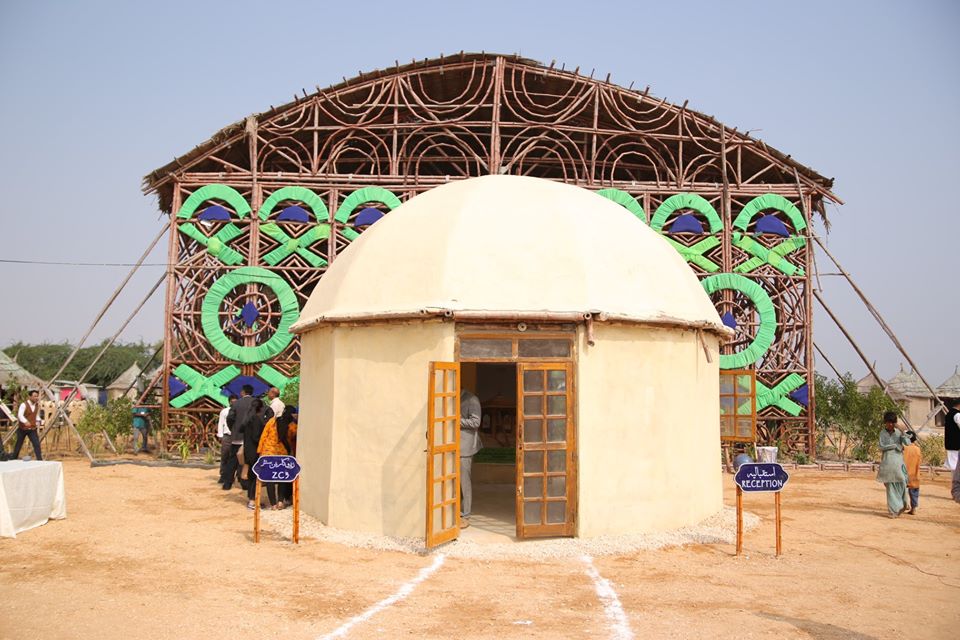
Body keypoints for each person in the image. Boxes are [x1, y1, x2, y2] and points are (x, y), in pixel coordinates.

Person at [257, 405, 299, 509]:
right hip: (282, 454)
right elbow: (293, 437)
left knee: (269, 479)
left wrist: (259, 450)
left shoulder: (272, 421)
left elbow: (263, 436)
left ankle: (273, 504)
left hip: (268, 453)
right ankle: (280, 501)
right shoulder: (292, 425)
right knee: (281, 478)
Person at [877, 411, 910, 518]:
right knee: (889, 486)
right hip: (887, 462)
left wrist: (902, 431)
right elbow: (881, 446)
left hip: (898, 462)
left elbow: (907, 443)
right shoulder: (882, 433)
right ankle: (893, 510)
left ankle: (903, 504)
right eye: (888, 422)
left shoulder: (899, 432)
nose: (890, 424)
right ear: (885, 422)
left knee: (901, 483)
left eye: (892, 422)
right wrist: (893, 446)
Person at [223, 384, 256, 490]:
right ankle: (245, 484)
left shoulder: (236, 403)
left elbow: (230, 418)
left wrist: (233, 429)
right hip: (251, 437)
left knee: (232, 460)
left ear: (243, 392)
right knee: (248, 461)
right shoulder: (257, 403)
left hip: (237, 437)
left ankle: (227, 484)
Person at [458, 388, 482, 528]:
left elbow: (476, 422)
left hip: (465, 447)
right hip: (452, 445)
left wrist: (456, 420)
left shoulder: (471, 399)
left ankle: (465, 515)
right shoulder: (452, 397)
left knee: (464, 483)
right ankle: (456, 512)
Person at [241, 398, 267, 510]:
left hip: (248, 449)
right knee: (256, 475)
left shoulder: (247, 419)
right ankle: (252, 500)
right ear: (260, 408)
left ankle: (252, 499)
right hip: (255, 450)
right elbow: (256, 437)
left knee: (252, 474)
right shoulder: (256, 419)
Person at [13, 390, 43, 460]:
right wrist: (25, 421)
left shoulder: (36, 406)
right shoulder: (24, 405)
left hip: (32, 429)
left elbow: (35, 416)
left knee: (36, 444)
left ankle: (40, 460)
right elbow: (20, 415)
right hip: (22, 429)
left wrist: (39, 420)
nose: (36, 398)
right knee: (18, 445)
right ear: (30, 397)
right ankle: (13, 459)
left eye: (37, 396)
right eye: (35, 396)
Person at [217, 396, 236, 485]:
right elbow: (221, 423)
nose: (233, 403)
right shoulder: (224, 411)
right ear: (229, 402)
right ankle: (223, 475)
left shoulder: (238, 411)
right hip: (227, 436)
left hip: (236, 436)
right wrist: (220, 435)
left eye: (235, 401)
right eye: (232, 401)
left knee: (235, 457)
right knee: (225, 456)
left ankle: (232, 477)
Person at [902, 430, 922, 515]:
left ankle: (904, 505)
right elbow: (920, 461)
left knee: (901, 490)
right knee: (914, 491)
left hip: (903, 473)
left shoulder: (904, 448)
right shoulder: (918, 449)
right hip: (914, 473)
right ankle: (914, 508)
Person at [944, 398, 960, 471]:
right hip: (956, 444)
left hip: (950, 443)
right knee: (956, 467)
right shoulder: (957, 415)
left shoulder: (948, 414)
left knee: (953, 466)